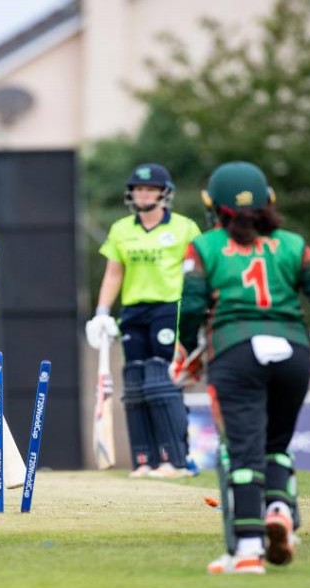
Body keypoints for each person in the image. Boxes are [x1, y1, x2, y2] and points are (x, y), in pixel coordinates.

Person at [170, 161, 310, 575]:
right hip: (293, 353)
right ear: (269, 202)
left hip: (236, 351)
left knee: (243, 453)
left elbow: (191, 306)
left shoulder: (206, 246)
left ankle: (248, 550)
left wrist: (188, 351)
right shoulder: (293, 243)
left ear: (216, 208)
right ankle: (280, 509)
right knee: (277, 445)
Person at [85, 163, 201, 478]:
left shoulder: (185, 228)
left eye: (149, 189)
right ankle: (144, 459)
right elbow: (114, 272)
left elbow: (197, 274)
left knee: (161, 381)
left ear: (164, 193)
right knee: (135, 383)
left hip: (169, 307)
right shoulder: (122, 229)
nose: (143, 194)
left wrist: (197, 312)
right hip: (134, 311)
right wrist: (102, 312)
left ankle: (175, 458)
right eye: (138, 189)